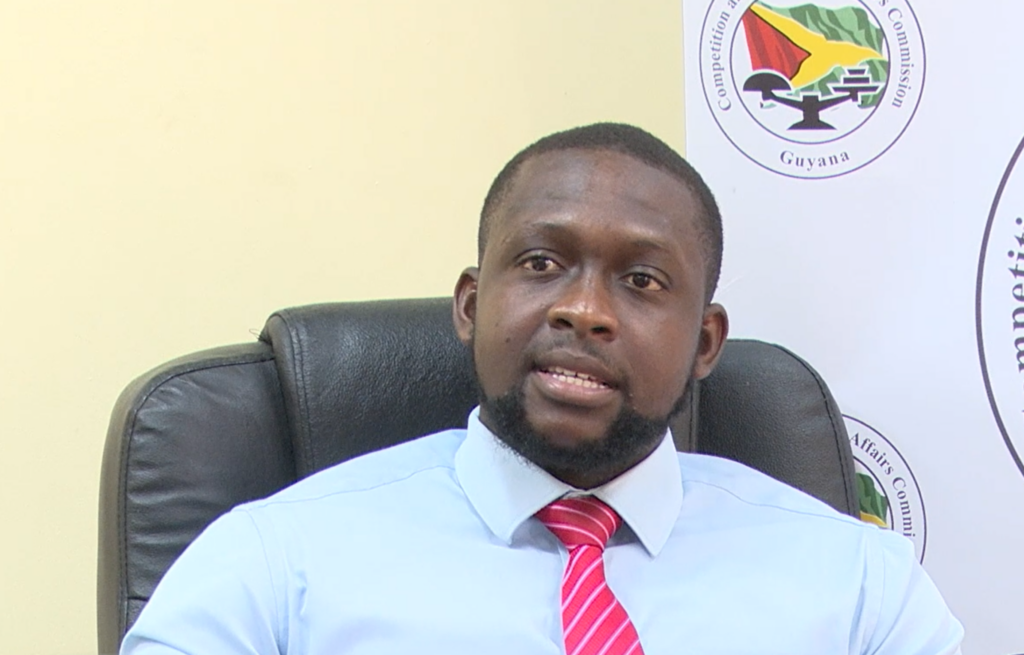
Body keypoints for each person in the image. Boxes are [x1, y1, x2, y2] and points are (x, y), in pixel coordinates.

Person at [121, 123, 963, 654]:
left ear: (705, 342)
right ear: (471, 305)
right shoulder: (272, 565)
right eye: (541, 263)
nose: (584, 309)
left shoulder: (859, 588)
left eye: (641, 280)